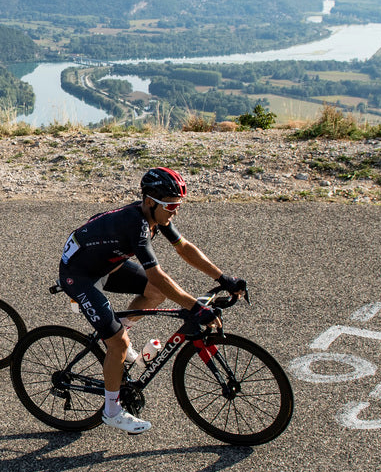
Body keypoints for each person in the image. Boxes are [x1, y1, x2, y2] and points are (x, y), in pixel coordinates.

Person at [59, 167, 245, 434]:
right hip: (78, 275)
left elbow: (185, 248)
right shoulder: (136, 224)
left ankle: (118, 339)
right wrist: (195, 306)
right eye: (170, 205)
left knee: (154, 295)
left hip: (105, 265)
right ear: (149, 201)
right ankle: (112, 411)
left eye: (178, 205)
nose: (175, 211)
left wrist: (223, 277)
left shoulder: (155, 215)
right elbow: (157, 274)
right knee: (118, 343)